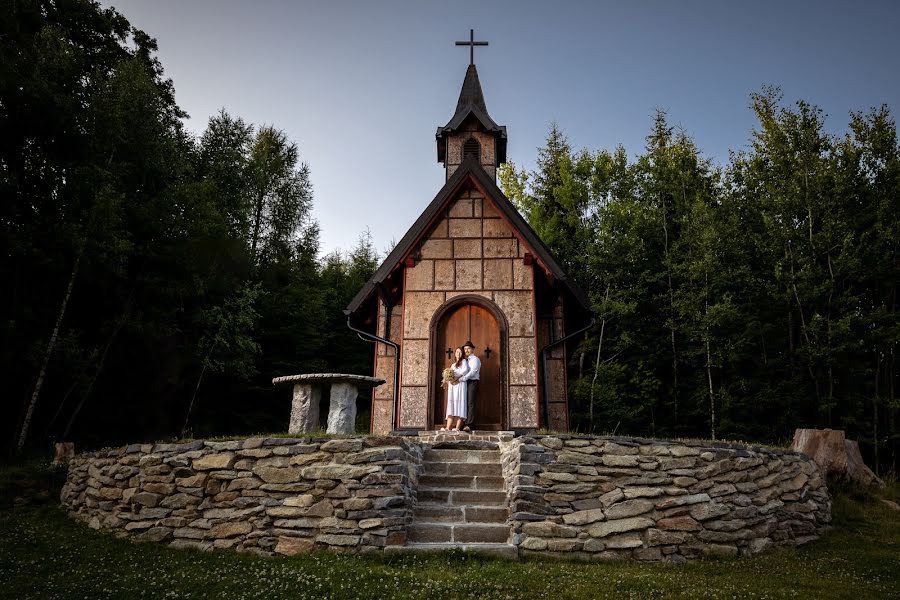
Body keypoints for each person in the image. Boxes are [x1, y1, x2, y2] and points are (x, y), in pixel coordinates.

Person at [441, 347, 468, 432]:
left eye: (460, 352)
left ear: (462, 354)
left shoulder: (464, 362)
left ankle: (457, 428)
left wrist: (456, 379)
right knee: (451, 404)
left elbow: (465, 371)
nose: (458, 354)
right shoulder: (453, 365)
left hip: (460, 385)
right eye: (457, 352)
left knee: (460, 404)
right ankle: (448, 427)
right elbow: (450, 374)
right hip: (453, 386)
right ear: (455, 353)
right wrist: (447, 379)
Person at [457, 340, 481, 432]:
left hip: (472, 382)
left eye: (468, 348)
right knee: (464, 402)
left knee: (470, 403)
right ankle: (462, 423)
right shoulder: (465, 360)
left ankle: (469, 425)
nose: (466, 350)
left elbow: (472, 372)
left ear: (472, 349)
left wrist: (463, 378)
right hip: (465, 382)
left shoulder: (475, 360)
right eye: (465, 349)